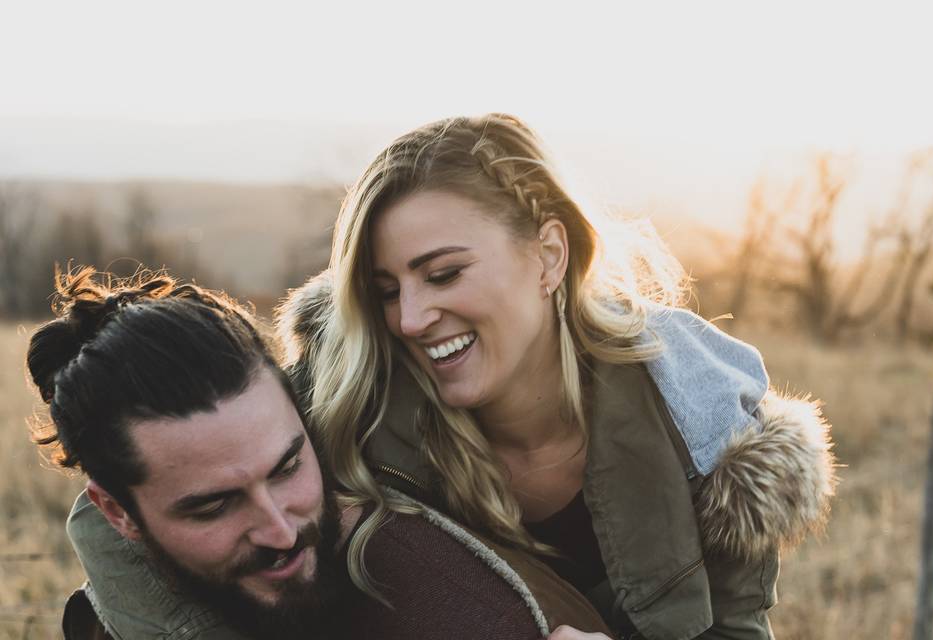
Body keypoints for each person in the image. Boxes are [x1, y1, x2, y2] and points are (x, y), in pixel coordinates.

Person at [278, 113, 838, 639]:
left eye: (444, 274)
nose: (410, 318)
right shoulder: (346, 409)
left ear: (548, 256)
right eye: (386, 292)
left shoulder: (702, 432)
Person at [28, 268, 611, 640]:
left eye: (288, 468)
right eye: (213, 507)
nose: (281, 530)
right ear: (117, 513)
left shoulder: (431, 579)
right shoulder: (127, 615)